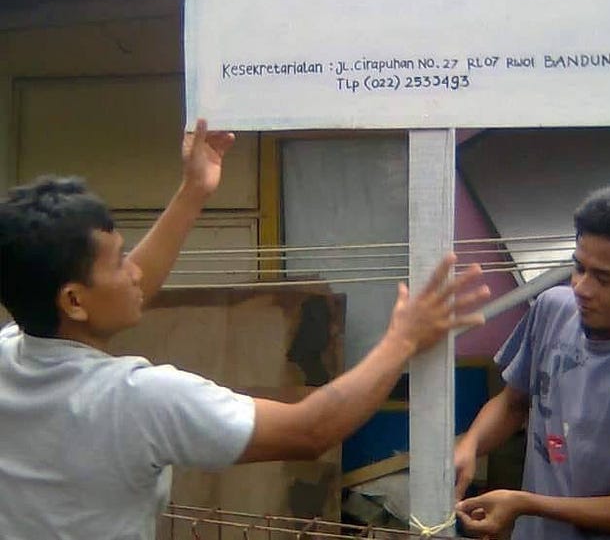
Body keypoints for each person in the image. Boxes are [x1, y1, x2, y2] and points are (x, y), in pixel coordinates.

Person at [0, 119, 491, 540]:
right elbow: (308, 431)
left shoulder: (10, 354)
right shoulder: (136, 399)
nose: (135, 272)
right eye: (118, 262)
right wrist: (402, 339)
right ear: (74, 301)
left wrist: (194, 192)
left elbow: (126, 290)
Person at [454, 184, 610, 540]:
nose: (581, 288)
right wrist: (470, 445)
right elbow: (512, 403)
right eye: (579, 267)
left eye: (603, 278)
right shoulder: (552, 310)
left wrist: (526, 504)